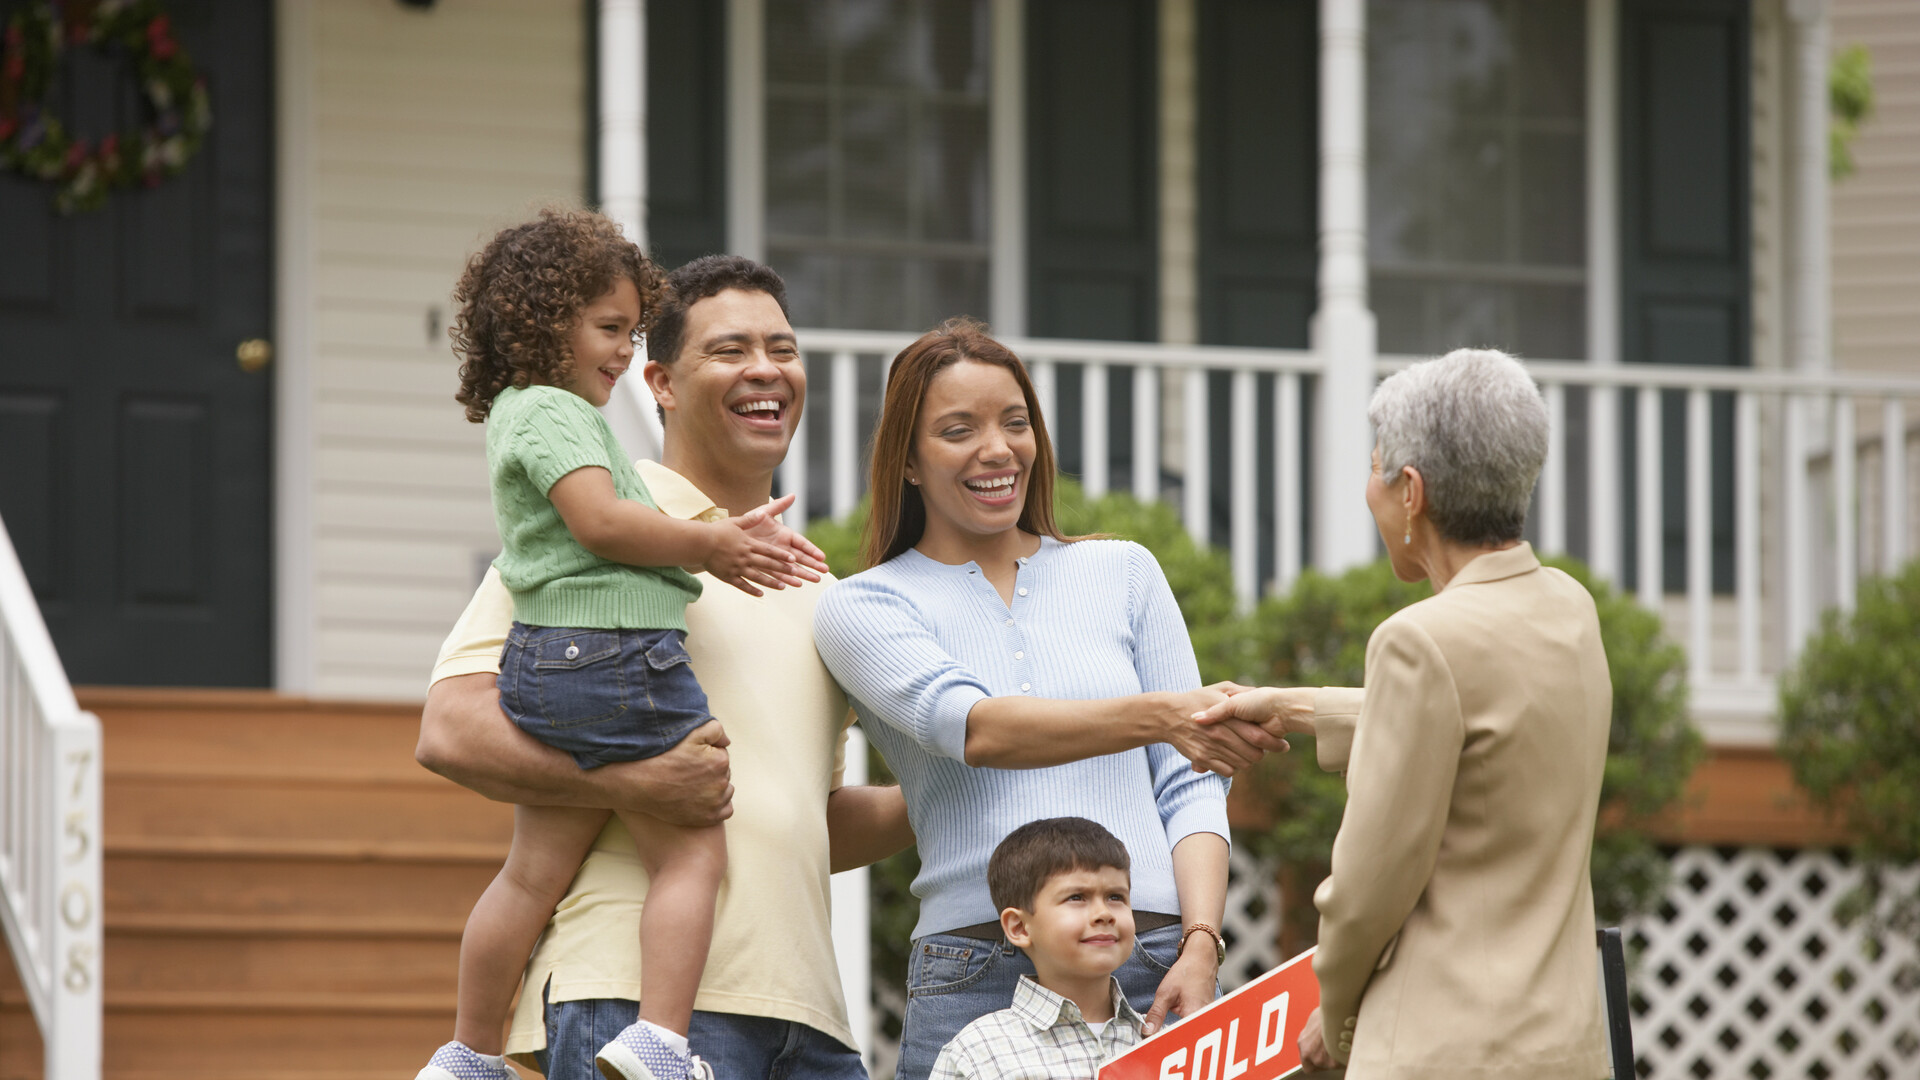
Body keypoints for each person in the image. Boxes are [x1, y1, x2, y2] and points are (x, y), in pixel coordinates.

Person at [415, 255, 914, 1080]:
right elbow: (449, 731)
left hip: (810, 1022)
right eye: (730, 349)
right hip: (628, 1006)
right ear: (661, 382)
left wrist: (945, 800)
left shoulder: (819, 584)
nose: (766, 369)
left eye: (783, 348)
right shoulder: (599, 527)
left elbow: (802, 818)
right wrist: (630, 782)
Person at [812, 319, 1286, 1080]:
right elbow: (975, 728)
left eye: (1015, 422)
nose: (997, 450)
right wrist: (1164, 714)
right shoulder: (863, 607)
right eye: (958, 430)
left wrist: (1201, 941)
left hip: (1154, 957)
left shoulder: (1123, 572)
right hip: (979, 967)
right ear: (906, 459)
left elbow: (1190, 781)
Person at [1197, 348, 1613, 1078]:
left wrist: (1339, 1010)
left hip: (1446, 1046)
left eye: (1375, 466)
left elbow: (1365, 891)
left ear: (1412, 491)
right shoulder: (1568, 608)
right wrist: (1293, 708)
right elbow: (1485, 729)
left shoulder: (1419, 641)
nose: (1371, 488)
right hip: (1566, 1045)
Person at [930, 818, 1149, 1080]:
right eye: (1076, 897)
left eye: (1116, 897)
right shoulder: (978, 1052)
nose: (1104, 913)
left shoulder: (1170, 1042)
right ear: (1020, 927)